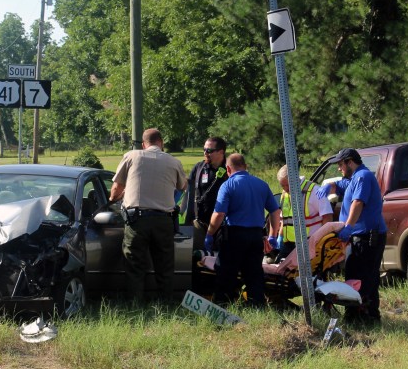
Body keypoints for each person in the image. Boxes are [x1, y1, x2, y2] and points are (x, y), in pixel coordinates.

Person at [109, 128, 188, 302]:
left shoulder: (131, 156)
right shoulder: (173, 162)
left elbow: (116, 190)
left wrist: (115, 198)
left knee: (134, 265)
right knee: (165, 266)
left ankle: (135, 304)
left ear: (143, 144)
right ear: (162, 143)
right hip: (163, 220)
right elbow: (183, 186)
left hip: (137, 220)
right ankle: (165, 304)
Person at [204, 153, 281, 307]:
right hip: (255, 236)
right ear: (246, 167)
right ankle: (256, 307)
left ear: (228, 169)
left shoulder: (227, 185)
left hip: (234, 236)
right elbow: (275, 211)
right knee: (254, 274)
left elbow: (219, 213)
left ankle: (223, 306)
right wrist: (272, 235)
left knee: (226, 273)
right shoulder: (262, 184)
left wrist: (209, 234)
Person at [321, 148, 387, 325]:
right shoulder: (353, 178)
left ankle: (366, 318)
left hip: (368, 237)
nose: (339, 168)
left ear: (350, 162)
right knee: (354, 276)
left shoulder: (362, 177)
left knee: (364, 279)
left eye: (341, 164)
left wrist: (348, 226)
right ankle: (356, 316)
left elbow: (357, 203)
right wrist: (329, 187)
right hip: (359, 237)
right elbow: (340, 186)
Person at [184, 136, 228, 295]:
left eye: (209, 150)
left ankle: (219, 294)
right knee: (196, 259)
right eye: (204, 150)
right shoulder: (199, 168)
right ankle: (198, 292)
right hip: (199, 224)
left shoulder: (229, 170)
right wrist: (187, 219)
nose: (205, 153)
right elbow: (188, 195)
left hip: (223, 226)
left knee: (219, 261)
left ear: (221, 152)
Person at [274, 164, 333, 261]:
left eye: (287, 185)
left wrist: (323, 241)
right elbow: (285, 219)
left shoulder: (314, 191)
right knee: (280, 271)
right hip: (289, 243)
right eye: (282, 185)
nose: (285, 188)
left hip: (308, 243)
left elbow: (327, 217)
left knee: (307, 273)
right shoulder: (285, 194)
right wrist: (280, 236)